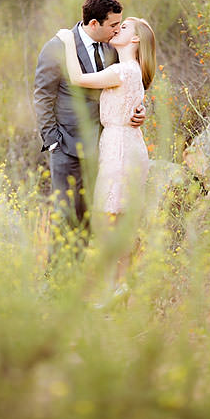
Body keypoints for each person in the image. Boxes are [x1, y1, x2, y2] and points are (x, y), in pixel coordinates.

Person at [33, 0, 145, 260]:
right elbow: (42, 94)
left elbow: (129, 83)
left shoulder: (112, 47)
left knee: (99, 217)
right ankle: (59, 282)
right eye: (113, 25)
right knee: (67, 215)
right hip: (67, 146)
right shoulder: (57, 48)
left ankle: (88, 280)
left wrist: (140, 109)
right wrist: (53, 140)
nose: (117, 30)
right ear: (94, 23)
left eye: (120, 25)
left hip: (106, 148)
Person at [56, 16, 156, 289]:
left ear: (135, 40)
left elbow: (76, 78)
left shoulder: (123, 71)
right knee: (119, 223)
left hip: (120, 149)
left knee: (107, 222)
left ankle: (114, 287)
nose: (117, 29)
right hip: (126, 142)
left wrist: (67, 41)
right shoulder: (130, 70)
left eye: (124, 27)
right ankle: (120, 288)